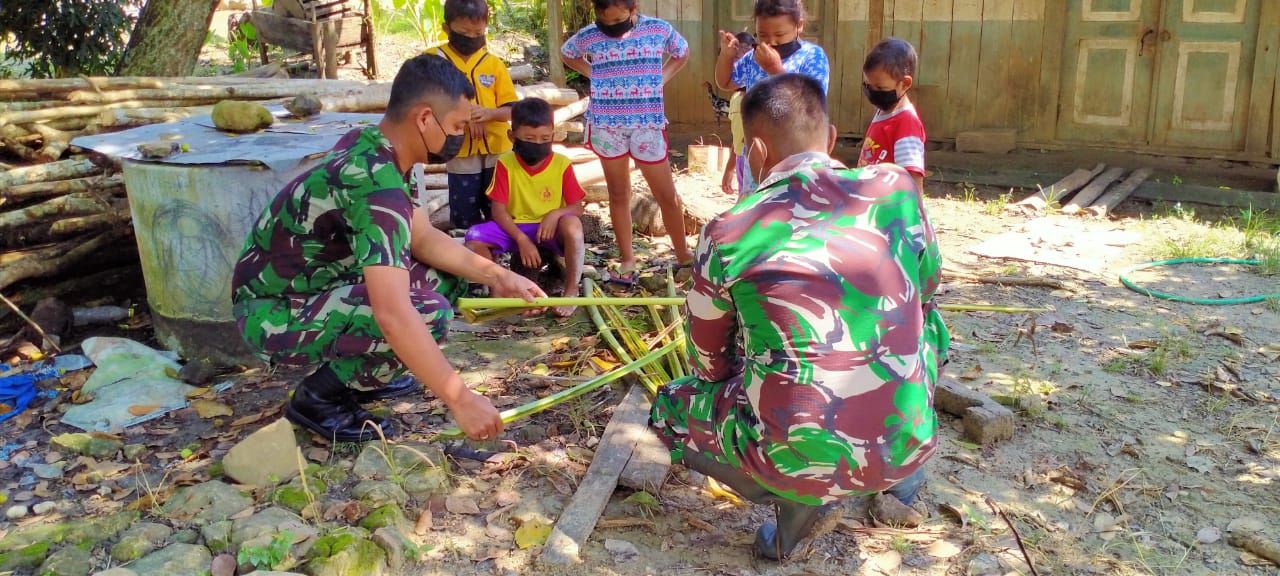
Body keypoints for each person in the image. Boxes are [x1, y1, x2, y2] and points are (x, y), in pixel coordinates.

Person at [649, 74, 950, 560]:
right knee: (930, 325)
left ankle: (797, 502)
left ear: (756, 152)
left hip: (794, 453)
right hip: (908, 438)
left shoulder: (730, 231)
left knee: (671, 407)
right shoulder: (896, 190)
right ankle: (901, 465)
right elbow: (928, 289)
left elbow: (709, 364)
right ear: (830, 139)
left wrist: (759, 365)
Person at [232, 54, 545, 444]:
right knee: (426, 313)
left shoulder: (380, 150)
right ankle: (319, 398)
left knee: (448, 279)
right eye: (457, 126)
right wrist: (460, 398)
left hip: (319, 285)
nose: (461, 135)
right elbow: (393, 313)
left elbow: (424, 238)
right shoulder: (374, 183)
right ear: (425, 118)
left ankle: (368, 375)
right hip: (273, 311)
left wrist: (500, 276)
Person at [560, 0, 692, 281]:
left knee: (666, 195)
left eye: (618, 21)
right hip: (608, 126)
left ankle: (683, 255)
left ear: (634, 10)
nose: (610, 28)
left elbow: (682, 51)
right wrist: (593, 72)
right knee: (619, 194)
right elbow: (568, 52)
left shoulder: (657, 29)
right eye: (604, 22)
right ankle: (628, 259)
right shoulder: (590, 35)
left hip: (647, 124)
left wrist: (660, 78)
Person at [464, 98, 587, 318]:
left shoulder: (561, 164)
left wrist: (555, 213)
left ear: (552, 135)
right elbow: (498, 211)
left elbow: (577, 207)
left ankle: (572, 289)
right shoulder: (505, 163)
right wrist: (521, 239)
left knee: (573, 225)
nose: (537, 144)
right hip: (515, 229)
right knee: (474, 237)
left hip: (549, 229)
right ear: (512, 137)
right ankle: (497, 289)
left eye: (545, 138)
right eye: (529, 138)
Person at [714, 0, 830, 197]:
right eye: (763, 35)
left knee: (793, 208)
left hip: (796, 154)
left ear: (798, 26)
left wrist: (774, 69)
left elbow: (810, 102)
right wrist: (726, 55)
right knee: (758, 207)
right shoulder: (753, 58)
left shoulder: (813, 56)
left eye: (779, 35)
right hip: (758, 154)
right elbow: (725, 82)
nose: (771, 42)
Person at [433, 0, 519, 230]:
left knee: (499, 206)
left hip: (497, 148)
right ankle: (465, 252)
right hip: (459, 149)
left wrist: (489, 114)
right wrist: (466, 117)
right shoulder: (433, 60)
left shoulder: (494, 64)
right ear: (446, 28)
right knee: (464, 209)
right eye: (464, 32)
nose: (472, 37)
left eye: (478, 32)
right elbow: (427, 104)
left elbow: (511, 110)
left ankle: (499, 251)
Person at [858, 37, 927, 193]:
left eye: (881, 88)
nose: (873, 92)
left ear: (905, 84)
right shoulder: (884, 112)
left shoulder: (906, 123)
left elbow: (913, 181)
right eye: (868, 86)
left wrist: (912, 214)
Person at [719, 31, 755, 197]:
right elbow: (738, 138)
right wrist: (729, 168)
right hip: (742, 160)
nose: (735, 69)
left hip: (755, 161)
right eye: (732, 62)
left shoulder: (755, 100)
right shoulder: (735, 99)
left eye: (739, 62)